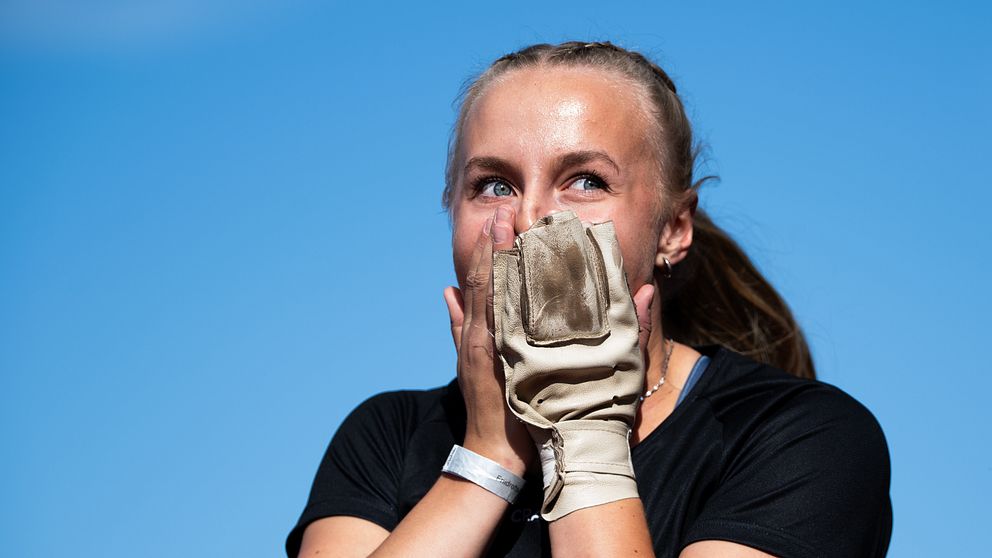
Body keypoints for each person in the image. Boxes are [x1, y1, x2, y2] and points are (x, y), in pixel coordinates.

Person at [286, 41, 892, 557]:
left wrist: (586, 438)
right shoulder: (388, 435)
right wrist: (489, 457)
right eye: (494, 185)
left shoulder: (801, 437)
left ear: (673, 228)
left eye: (585, 181)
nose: (530, 218)